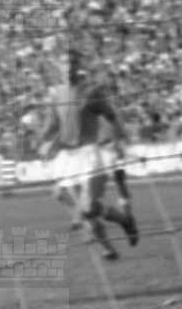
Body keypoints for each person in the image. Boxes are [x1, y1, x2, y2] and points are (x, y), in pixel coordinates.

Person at [37, 51, 141, 260]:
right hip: (67, 158)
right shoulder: (56, 96)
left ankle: (123, 220)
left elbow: (112, 117)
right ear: (58, 68)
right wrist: (42, 141)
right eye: (64, 63)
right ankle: (109, 245)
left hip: (89, 154)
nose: (68, 67)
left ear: (78, 67)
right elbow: (51, 127)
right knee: (85, 209)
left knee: (87, 207)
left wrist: (119, 142)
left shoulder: (91, 92)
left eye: (72, 63)